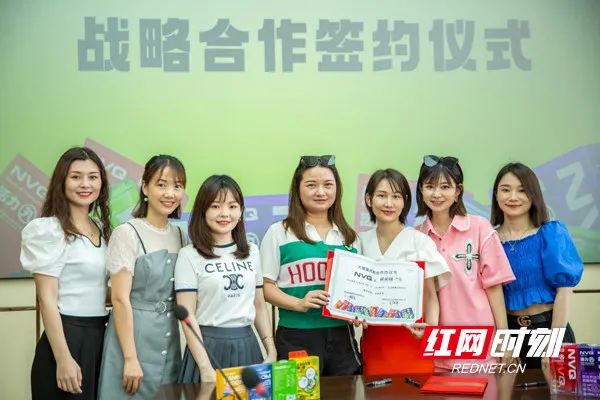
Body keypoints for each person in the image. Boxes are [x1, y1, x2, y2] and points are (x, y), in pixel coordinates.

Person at [21, 147, 112, 400]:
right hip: (67, 337)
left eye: (93, 177)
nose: (85, 184)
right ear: (61, 181)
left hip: (101, 336)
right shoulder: (49, 230)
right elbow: (47, 299)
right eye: (76, 177)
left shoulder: (102, 228)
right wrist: (63, 358)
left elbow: (98, 289)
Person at [261, 155, 362, 376]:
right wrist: (298, 303)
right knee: (299, 392)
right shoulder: (279, 232)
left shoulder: (350, 237)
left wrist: (358, 309)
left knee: (346, 391)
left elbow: (358, 290)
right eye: (311, 185)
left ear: (337, 189)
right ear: (297, 189)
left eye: (328, 185)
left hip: (342, 337)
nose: (321, 192)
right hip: (296, 335)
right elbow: (265, 287)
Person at [98, 155, 187, 399]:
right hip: (132, 344)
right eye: (161, 184)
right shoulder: (127, 233)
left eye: (177, 186)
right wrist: (130, 358)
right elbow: (119, 299)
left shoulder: (181, 236)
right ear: (145, 187)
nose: (170, 193)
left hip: (169, 344)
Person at [415, 155, 515, 371]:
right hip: (439, 349)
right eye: (430, 186)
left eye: (445, 187)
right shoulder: (416, 237)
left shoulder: (479, 228)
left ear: (458, 191)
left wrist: (504, 340)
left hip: (481, 345)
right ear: (421, 190)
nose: (437, 194)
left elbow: (494, 287)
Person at [175, 175, 277, 383]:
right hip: (207, 348)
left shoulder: (252, 252)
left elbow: (258, 305)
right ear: (203, 211)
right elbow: (187, 315)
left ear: (241, 211)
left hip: (248, 345)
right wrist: (205, 368)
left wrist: (271, 349)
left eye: (232, 206)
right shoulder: (189, 255)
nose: (225, 214)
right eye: (215, 206)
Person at [491, 162, 583, 370]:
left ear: (534, 195)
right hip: (509, 336)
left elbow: (564, 291)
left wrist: (553, 344)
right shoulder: (489, 238)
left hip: (550, 329)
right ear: (496, 195)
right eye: (505, 190)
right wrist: (504, 340)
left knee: (554, 388)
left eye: (522, 190)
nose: (513, 197)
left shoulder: (551, 233)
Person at [359, 168, 451, 375]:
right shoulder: (359, 242)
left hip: (413, 338)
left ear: (405, 201)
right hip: (375, 342)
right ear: (369, 199)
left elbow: (431, 295)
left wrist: (430, 331)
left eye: (396, 196)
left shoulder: (419, 241)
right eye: (382, 195)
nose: (389, 203)